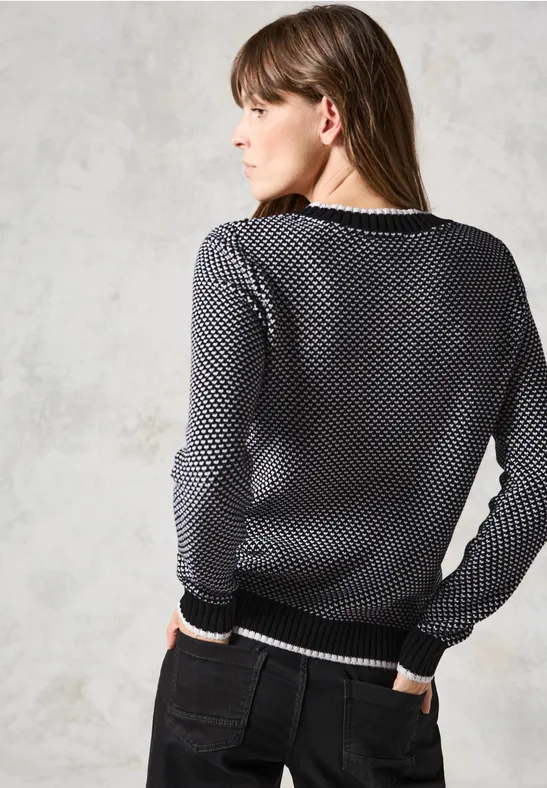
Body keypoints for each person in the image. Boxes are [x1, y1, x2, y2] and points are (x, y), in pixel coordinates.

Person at [146, 4, 547, 787]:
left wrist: (205, 606)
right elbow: (539, 481)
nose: (238, 134)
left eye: (259, 108)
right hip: (378, 682)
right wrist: (430, 639)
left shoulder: (245, 253)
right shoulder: (484, 269)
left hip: (234, 653)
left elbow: (213, 465)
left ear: (327, 116)